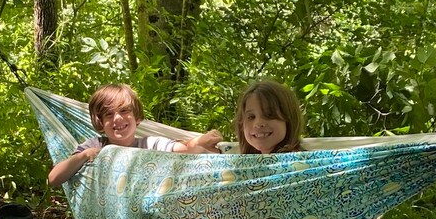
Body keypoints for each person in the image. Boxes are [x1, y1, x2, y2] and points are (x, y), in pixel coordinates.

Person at [48, 83, 222, 186]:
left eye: (124, 111)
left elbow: (185, 149)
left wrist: (202, 143)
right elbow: (53, 179)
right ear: (100, 122)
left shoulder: (150, 145)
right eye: (109, 114)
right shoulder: (95, 146)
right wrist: (84, 156)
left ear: (136, 116)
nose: (117, 118)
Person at [235, 79, 304, 155]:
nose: (258, 124)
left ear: (289, 119)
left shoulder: (309, 163)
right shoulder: (243, 164)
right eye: (251, 117)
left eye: (269, 115)